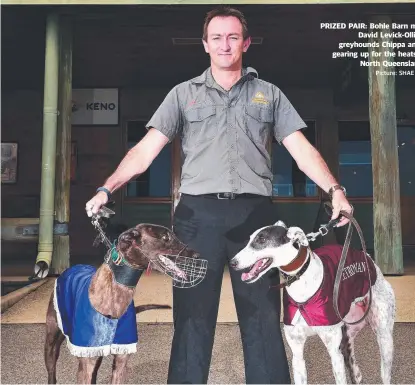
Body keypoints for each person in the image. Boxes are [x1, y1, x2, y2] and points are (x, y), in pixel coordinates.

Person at [85, 6, 352, 384]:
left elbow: (301, 149)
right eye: (216, 37)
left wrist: (335, 190)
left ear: (245, 42)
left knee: (261, 317)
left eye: (232, 37)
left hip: (256, 219)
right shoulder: (182, 95)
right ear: (205, 45)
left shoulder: (268, 95)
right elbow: (145, 151)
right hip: (197, 218)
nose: (225, 45)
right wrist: (106, 187)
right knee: (192, 317)